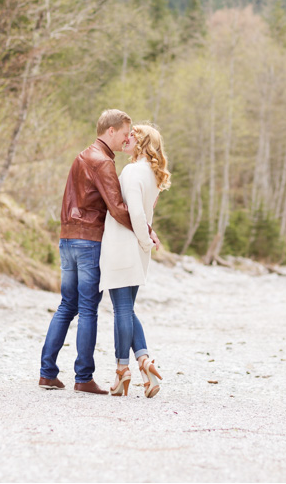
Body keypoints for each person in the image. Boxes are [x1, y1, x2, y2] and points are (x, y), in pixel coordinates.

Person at [38, 110, 159, 394]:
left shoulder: (82, 156)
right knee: (88, 308)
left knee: (67, 306)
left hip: (67, 238)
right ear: (111, 131)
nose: (127, 138)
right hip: (89, 241)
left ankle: (47, 373)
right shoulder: (103, 162)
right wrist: (147, 231)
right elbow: (117, 209)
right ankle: (83, 377)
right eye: (125, 132)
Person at [100, 123, 170, 398]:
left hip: (124, 245)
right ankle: (145, 362)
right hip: (137, 249)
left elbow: (137, 215)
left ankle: (122, 369)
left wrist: (143, 240)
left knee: (121, 310)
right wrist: (146, 243)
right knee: (126, 309)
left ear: (142, 143)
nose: (127, 138)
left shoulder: (131, 171)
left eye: (133, 136)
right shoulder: (151, 174)